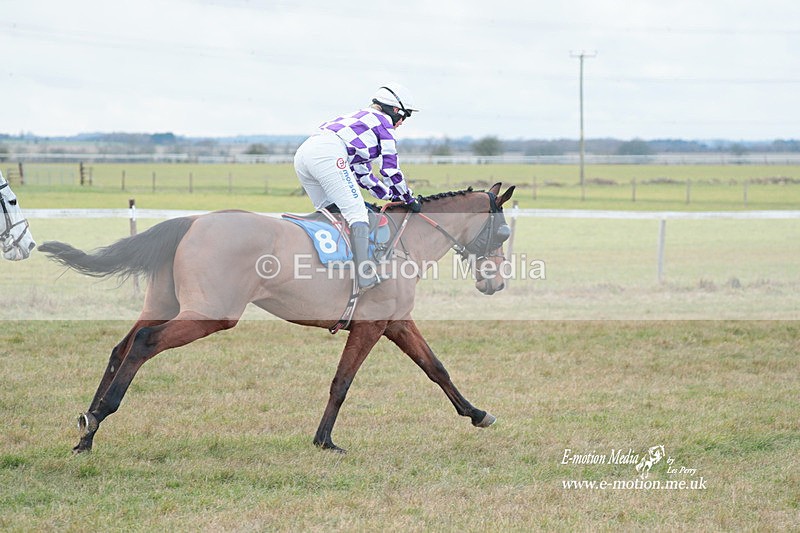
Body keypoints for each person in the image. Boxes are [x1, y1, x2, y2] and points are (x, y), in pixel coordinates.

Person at [293, 82, 421, 291]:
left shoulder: (359, 117)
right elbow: (390, 170)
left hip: (304, 154)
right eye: (405, 116)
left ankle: (328, 265)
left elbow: (364, 175)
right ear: (396, 110)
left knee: (331, 210)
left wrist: (388, 194)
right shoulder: (384, 125)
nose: (402, 122)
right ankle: (364, 275)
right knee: (357, 214)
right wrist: (408, 198)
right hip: (328, 154)